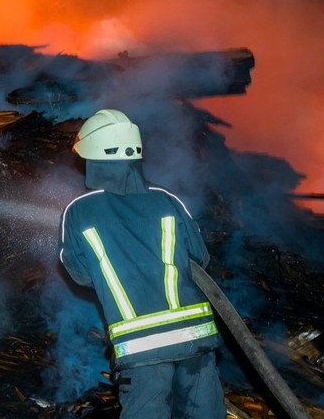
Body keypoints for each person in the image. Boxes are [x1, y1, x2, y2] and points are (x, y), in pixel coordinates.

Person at [58, 109, 225, 418]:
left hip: (141, 350)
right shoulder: (168, 200)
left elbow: (80, 275)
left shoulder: (79, 212)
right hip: (197, 341)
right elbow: (200, 258)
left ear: (93, 156)